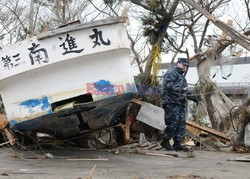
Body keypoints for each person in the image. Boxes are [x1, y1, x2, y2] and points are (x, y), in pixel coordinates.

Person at [161, 58, 198, 151]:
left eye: (186, 66)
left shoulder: (182, 78)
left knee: (181, 124)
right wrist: (179, 89)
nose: (185, 67)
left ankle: (177, 143)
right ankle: (165, 141)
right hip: (171, 102)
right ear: (178, 63)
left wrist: (194, 98)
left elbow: (185, 91)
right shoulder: (171, 73)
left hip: (180, 104)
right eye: (183, 65)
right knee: (173, 122)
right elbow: (167, 85)